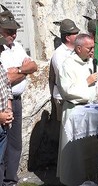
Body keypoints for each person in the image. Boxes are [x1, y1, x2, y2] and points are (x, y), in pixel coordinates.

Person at [56, 33, 98, 186]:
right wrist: (87, 82)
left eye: (93, 48)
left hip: (92, 112)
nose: (92, 51)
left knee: (92, 153)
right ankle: (74, 182)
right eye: (89, 48)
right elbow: (67, 91)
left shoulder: (91, 62)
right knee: (76, 156)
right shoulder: (67, 65)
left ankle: (92, 181)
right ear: (78, 48)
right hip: (75, 113)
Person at [0, 10, 38, 186]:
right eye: (9, 31)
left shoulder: (18, 46)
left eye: (14, 31)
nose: (13, 34)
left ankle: (11, 179)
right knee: (2, 145)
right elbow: (4, 79)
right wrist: (23, 71)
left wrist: (19, 70)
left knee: (15, 143)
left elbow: (33, 66)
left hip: (16, 100)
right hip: (2, 103)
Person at [50, 19, 80, 121]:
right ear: (67, 37)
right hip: (63, 98)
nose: (77, 35)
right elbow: (63, 76)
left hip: (75, 95)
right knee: (65, 129)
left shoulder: (76, 51)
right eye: (75, 33)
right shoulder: (59, 54)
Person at [0, 34, 13, 185]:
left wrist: (9, 108)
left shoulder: (0, 65)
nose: (2, 50)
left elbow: (7, 87)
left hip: (3, 123)